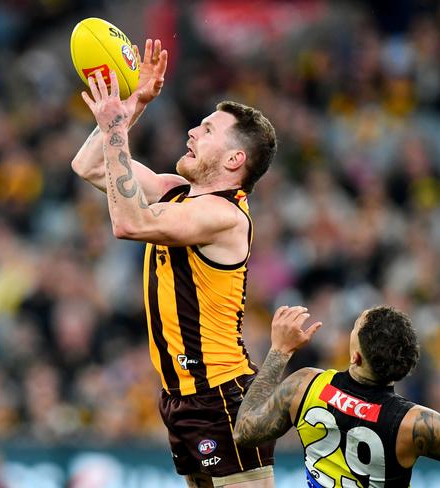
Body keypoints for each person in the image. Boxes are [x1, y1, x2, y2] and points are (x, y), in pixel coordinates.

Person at [72, 39, 278, 488]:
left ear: (234, 159)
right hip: (180, 397)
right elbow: (89, 165)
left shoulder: (223, 216)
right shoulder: (174, 191)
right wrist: (132, 107)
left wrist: (115, 131)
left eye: (206, 131)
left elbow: (129, 223)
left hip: (222, 396)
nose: (191, 133)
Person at [233, 305, 440, 487]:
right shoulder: (412, 424)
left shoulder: (305, 386)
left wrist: (279, 351)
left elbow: (244, 431)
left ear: (355, 356)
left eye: (353, 329)